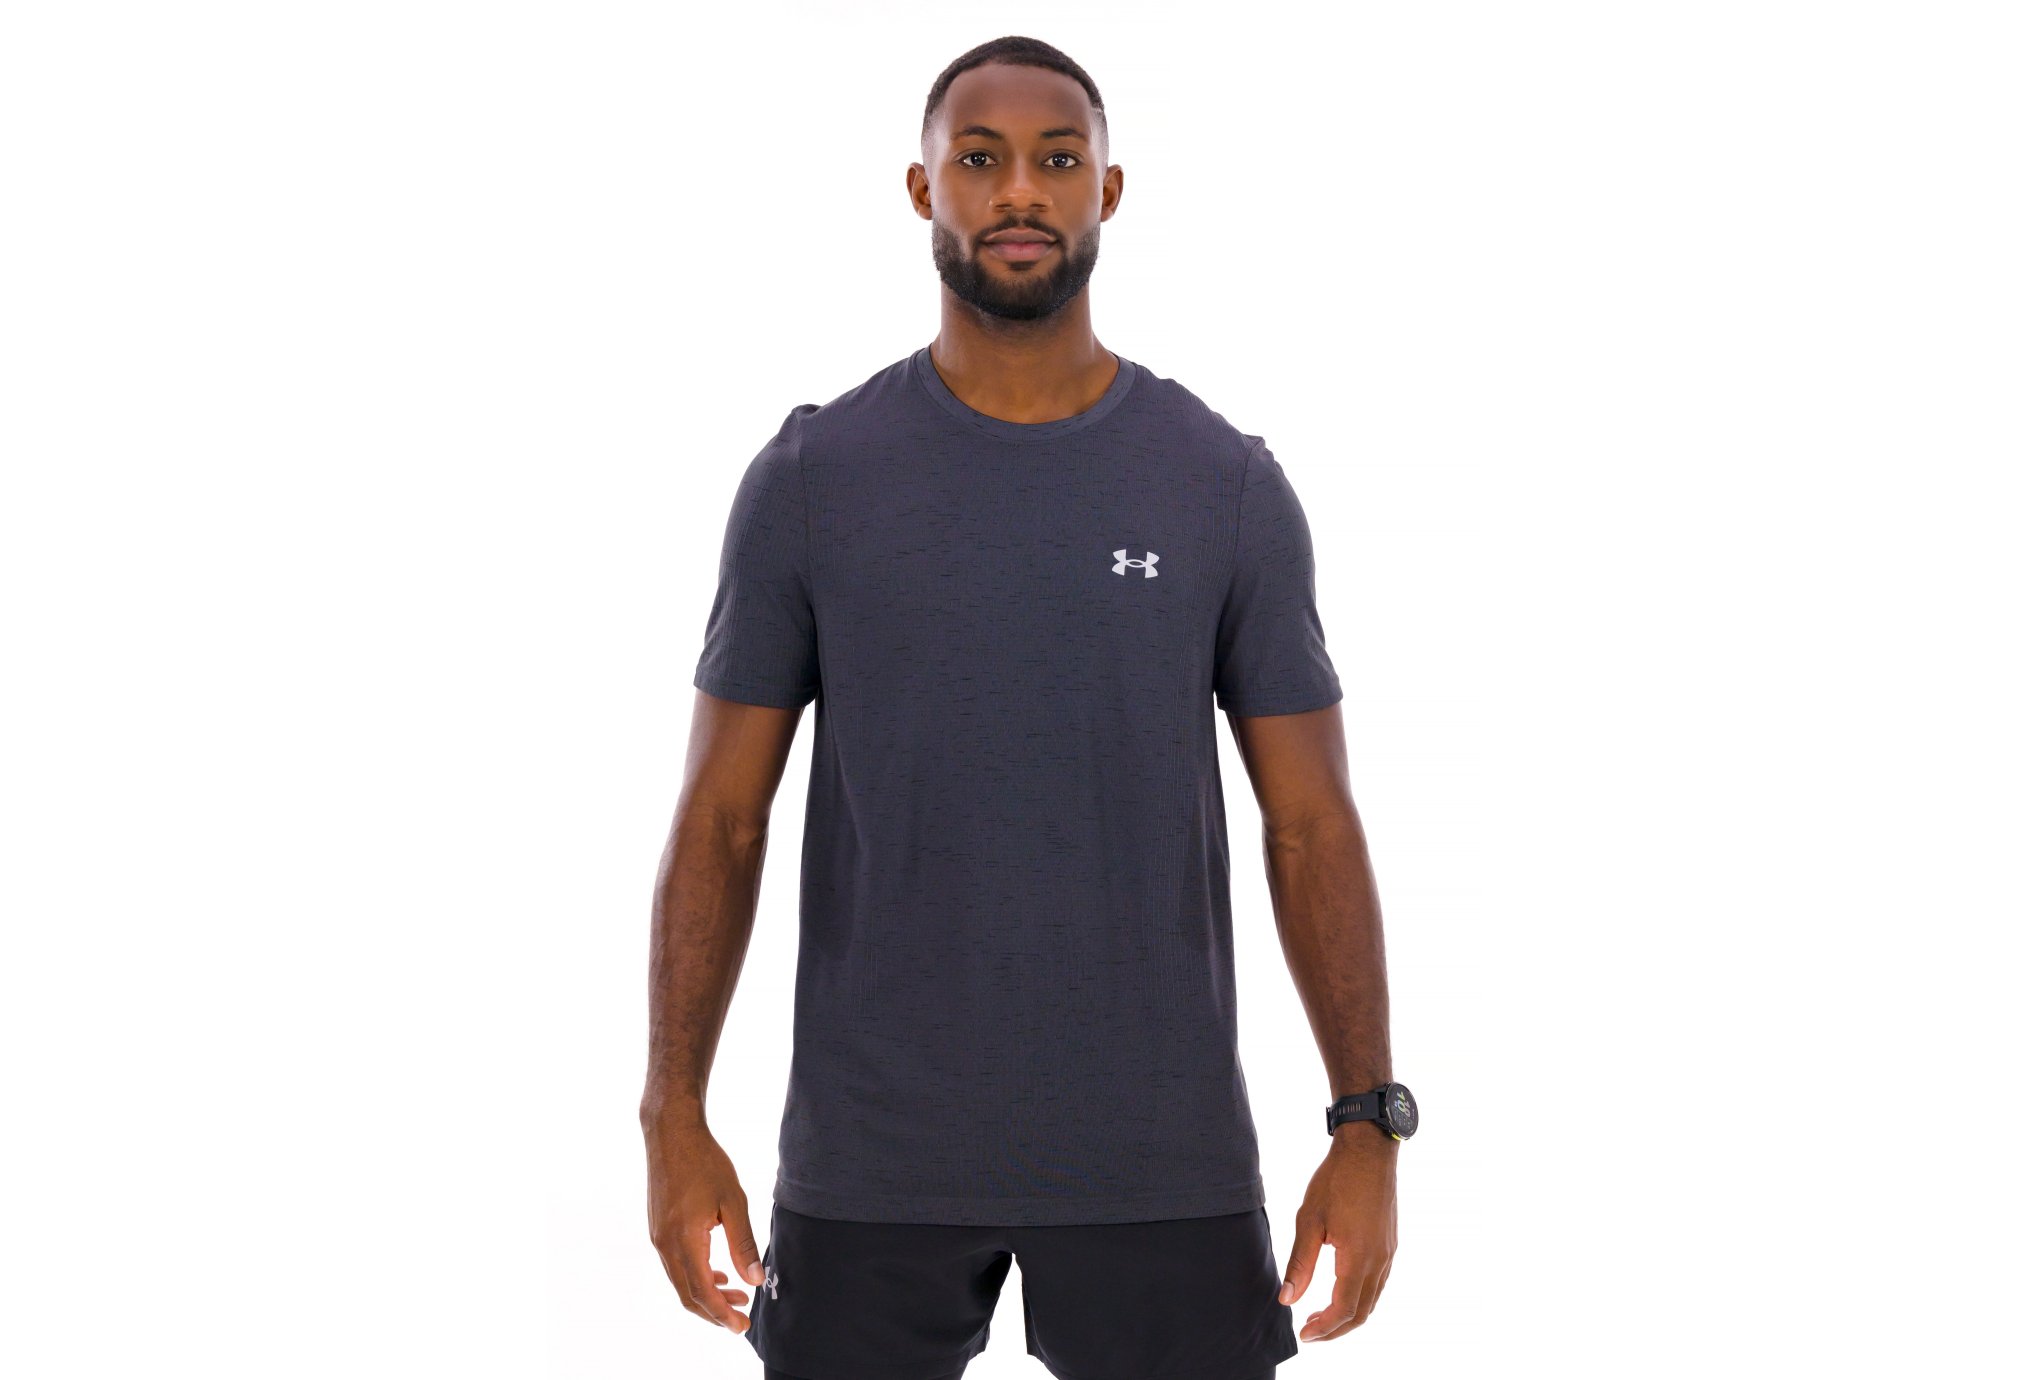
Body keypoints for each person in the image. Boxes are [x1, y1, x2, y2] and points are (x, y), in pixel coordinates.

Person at [641, 35, 1411, 1380]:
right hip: (873, 1163)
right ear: (921, 189)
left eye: (1057, 160)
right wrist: (673, 1115)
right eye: (978, 158)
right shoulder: (815, 478)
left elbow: (1309, 823)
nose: (1019, 191)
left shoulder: (1218, 484)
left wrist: (1366, 1124)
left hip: (1157, 1159)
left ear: (1107, 190)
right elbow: (720, 819)